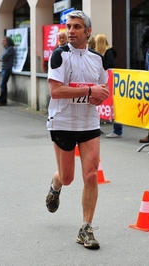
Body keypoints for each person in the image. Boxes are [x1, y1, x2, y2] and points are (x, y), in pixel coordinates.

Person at [45, 10, 109, 250]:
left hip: (89, 123)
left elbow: (102, 89)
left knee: (91, 175)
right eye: (69, 26)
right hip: (62, 122)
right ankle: (56, 184)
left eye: (76, 27)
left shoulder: (97, 59)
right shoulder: (59, 56)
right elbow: (56, 91)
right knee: (68, 177)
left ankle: (86, 228)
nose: (70, 30)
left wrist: (99, 95)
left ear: (87, 31)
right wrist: (89, 91)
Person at [92, 34, 120, 138]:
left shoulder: (107, 52)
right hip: (107, 81)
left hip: (110, 81)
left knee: (115, 105)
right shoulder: (107, 52)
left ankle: (117, 130)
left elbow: (110, 65)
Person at [0, 36, 15, 106]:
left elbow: (3, 57)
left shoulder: (10, 49)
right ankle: (3, 100)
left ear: (8, 41)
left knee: (2, 84)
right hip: (3, 68)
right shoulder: (6, 49)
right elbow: (0, 57)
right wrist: (2, 58)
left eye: (4, 41)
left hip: (7, 68)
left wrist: (3, 58)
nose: (3, 42)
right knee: (3, 85)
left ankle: (1, 100)